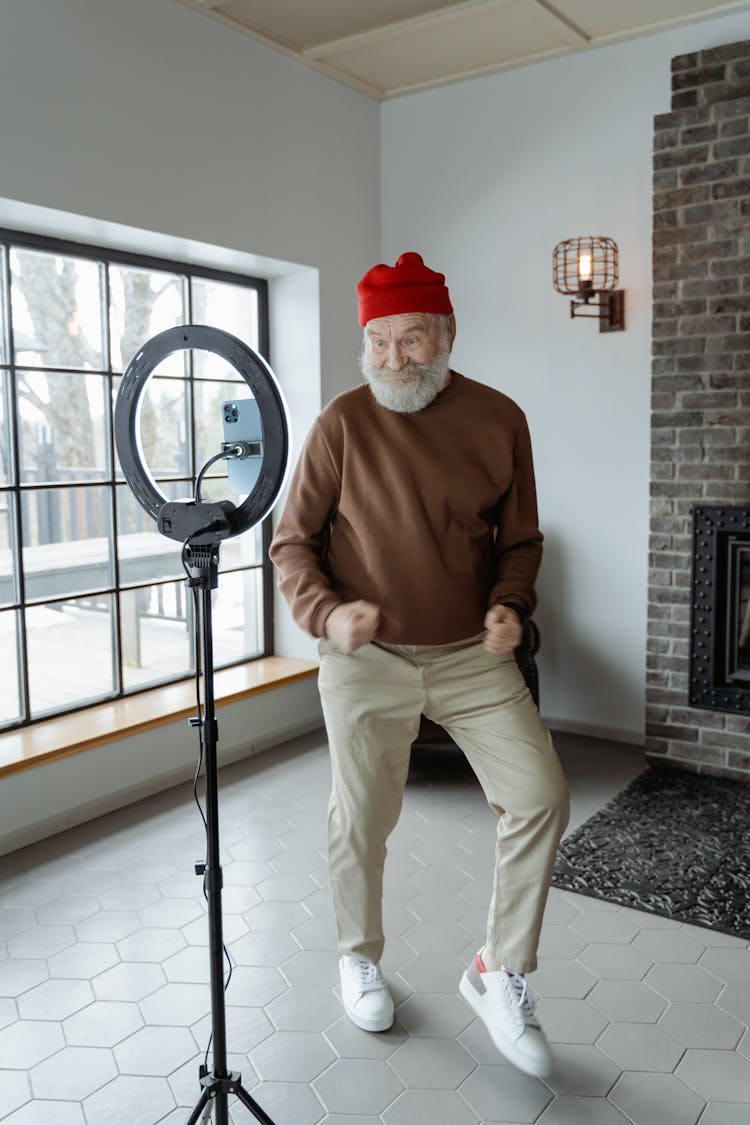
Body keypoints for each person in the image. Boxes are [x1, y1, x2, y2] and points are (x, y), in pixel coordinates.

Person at [269, 251, 569, 1078]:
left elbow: (521, 540)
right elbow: (291, 543)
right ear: (365, 343)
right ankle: (357, 955)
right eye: (381, 341)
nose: (397, 358)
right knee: (360, 818)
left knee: (541, 795)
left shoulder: (499, 418)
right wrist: (330, 614)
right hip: (365, 657)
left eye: (413, 339)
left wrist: (511, 605)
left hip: (472, 653)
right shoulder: (340, 423)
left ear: (446, 334)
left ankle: (498, 969)